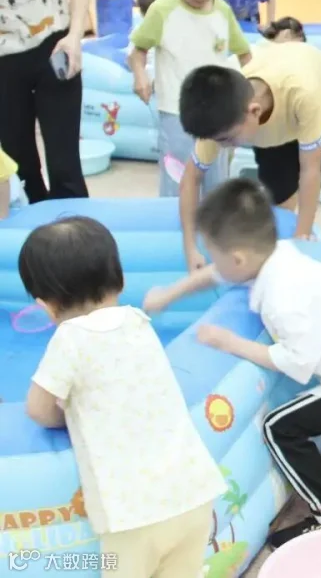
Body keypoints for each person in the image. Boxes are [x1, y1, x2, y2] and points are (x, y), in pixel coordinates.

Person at [142, 178, 321, 548]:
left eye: (214, 254)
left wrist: (229, 342)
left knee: (278, 427)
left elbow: (296, 364)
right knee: (287, 419)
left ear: (238, 258)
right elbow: (219, 272)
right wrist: (169, 295)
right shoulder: (278, 253)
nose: (213, 264)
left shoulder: (284, 298)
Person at [20, 216, 226, 578]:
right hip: (194, 494)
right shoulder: (138, 322)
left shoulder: (69, 338)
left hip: (134, 516)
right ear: (121, 280)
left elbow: (37, 410)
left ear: (46, 305)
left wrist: (68, 414)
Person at [176, 42, 321, 275]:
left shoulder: (304, 94)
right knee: (281, 201)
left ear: (255, 112)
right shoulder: (221, 116)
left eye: (228, 139)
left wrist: (302, 236)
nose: (223, 147)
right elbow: (190, 179)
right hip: (273, 127)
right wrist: (190, 248)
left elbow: (310, 170)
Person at [128, 0, 252, 199]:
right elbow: (138, 51)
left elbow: (245, 54)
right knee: (177, 178)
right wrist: (140, 75)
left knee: (216, 181)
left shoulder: (223, 11)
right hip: (175, 111)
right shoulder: (162, 10)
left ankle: (214, 220)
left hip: (217, 113)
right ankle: (174, 220)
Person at [0, 0, 90, 204]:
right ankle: (31, 225)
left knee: (65, 166)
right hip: (4, 63)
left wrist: (75, 37)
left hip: (54, 49)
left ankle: (73, 224)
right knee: (19, 167)